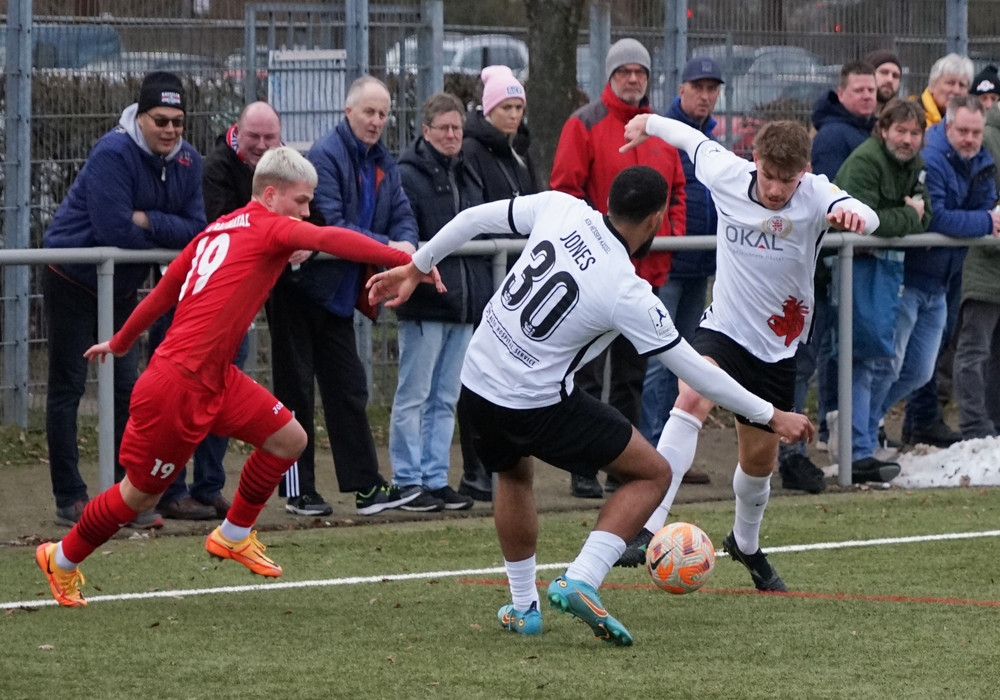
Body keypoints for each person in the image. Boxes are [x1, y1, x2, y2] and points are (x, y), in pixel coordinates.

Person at [365, 166, 813, 645]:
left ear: (609, 200)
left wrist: (417, 265)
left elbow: (473, 218)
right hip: (533, 401)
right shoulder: (627, 289)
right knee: (653, 474)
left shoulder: (561, 207)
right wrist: (771, 414)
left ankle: (524, 608)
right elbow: (697, 371)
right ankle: (582, 577)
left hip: (476, 378)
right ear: (656, 219)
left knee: (512, 473)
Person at [35, 147, 433, 607]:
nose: (306, 213)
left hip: (214, 377)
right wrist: (408, 261)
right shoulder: (268, 225)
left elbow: (164, 293)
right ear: (270, 195)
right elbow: (330, 238)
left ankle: (234, 534)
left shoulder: (216, 229)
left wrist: (122, 342)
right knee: (138, 497)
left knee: (289, 439)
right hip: (176, 386)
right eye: (301, 201)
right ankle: (61, 558)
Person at [615, 114, 878, 585]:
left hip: (776, 348)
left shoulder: (817, 193)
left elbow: (866, 214)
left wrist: (857, 216)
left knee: (758, 464)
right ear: (754, 159)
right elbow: (689, 138)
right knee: (690, 397)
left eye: (787, 180)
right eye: (769, 175)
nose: (776, 189)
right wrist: (648, 123)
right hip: (723, 328)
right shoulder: (728, 173)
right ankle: (649, 526)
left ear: (804, 172)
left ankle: (745, 543)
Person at [42, 71, 206, 531]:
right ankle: (70, 496)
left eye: (178, 121)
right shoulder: (112, 153)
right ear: (141, 116)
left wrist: (147, 220)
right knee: (69, 387)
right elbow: (113, 228)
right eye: (160, 120)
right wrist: (161, 230)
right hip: (73, 277)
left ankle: (125, 497)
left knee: (128, 391)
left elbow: (197, 229)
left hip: (122, 287)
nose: (170, 130)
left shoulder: (189, 161)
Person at [267, 76, 422, 517]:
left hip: (336, 294)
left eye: (383, 113)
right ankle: (298, 491)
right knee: (295, 390)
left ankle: (366, 488)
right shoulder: (325, 156)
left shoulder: (384, 162)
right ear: (348, 112)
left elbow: (403, 214)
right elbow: (332, 226)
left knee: (349, 387)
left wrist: (407, 245)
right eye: (369, 111)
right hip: (299, 290)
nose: (376, 121)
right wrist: (390, 248)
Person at [550, 37, 687, 498]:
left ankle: (621, 465)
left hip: (645, 277)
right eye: (624, 71)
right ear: (610, 76)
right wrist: (596, 247)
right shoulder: (584, 124)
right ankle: (582, 465)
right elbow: (566, 192)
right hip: (594, 279)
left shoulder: (661, 130)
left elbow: (678, 193)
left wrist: (667, 239)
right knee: (585, 375)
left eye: (640, 72)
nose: (633, 79)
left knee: (631, 377)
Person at [154, 101, 284, 520]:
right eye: (254, 137)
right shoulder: (215, 168)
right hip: (200, 311)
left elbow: (312, 220)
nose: (261, 145)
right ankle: (168, 489)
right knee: (179, 405)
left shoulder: (283, 168)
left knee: (219, 400)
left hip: (234, 314)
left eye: (269, 138)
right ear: (237, 133)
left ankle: (207, 488)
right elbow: (221, 223)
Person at [877, 95, 998, 448]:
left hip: (944, 278)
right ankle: (860, 431)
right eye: (963, 131)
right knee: (891, 364)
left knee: (920, 370)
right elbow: (937, 217)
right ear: (947, 126)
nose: (970, 139)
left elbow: (984, 205)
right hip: (910, 276)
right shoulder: (931, 158)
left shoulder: (981, 159)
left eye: (976, 132)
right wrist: (984, 222)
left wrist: (980, 220)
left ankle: (868, 425)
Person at [389, 92, 486, 512]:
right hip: (425, 303)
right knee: (414, 394)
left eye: (456, 128)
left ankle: (435, 477)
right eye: (443, 128)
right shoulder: (407, 176)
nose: (451, 135)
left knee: (446, 397)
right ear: (425, 131)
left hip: (464, 302)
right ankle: (406, 479)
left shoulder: (469, 173)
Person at [833, 99, 931, 481]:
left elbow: (928, 215)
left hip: (888, 274)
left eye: (914, 133)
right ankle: (855, 450)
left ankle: (859, 434)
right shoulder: (865, 161)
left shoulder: (917, 166)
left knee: (901, 366)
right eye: (900, 131)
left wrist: (909, 218)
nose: (907, 140)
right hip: (851, 270)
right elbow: (864, 222)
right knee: (860, 359)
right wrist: (909, 214)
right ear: (884, 129)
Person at [637, 57, 722, 489]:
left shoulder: (713, 140)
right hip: (668, 266)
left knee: (686, 363)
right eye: (698, 87)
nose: (706, 96)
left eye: (712, 89)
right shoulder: (665, 133)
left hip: (699, 266)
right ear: (681, 89)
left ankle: (672, 456)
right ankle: (651, 454)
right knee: (659, 361)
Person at [457, 64, 539, 502]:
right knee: (478, 379)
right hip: (487, 278)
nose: (513, 114)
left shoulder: (519, 152)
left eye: (518, 107)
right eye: (505, 106)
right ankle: (476, 469)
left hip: (518, 280)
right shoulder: (473, 151)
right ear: (488, 109)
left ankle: (503, 465)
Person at [953, 81, 1000, 439]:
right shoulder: (989, 139)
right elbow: (981, 203)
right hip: (984, 265)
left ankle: (989, 424)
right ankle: (974, 425)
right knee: (975, 350)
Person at [917, 53, 973, 128]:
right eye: (950, 83)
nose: (956, 91)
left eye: (962, 85)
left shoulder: (972, 123)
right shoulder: (914, 119)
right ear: (932, 85)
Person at [865, 49, 902, 114]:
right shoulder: (849, 113)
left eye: (895, 76)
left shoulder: (901, 117)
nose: (890, 80)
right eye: (884, 72)